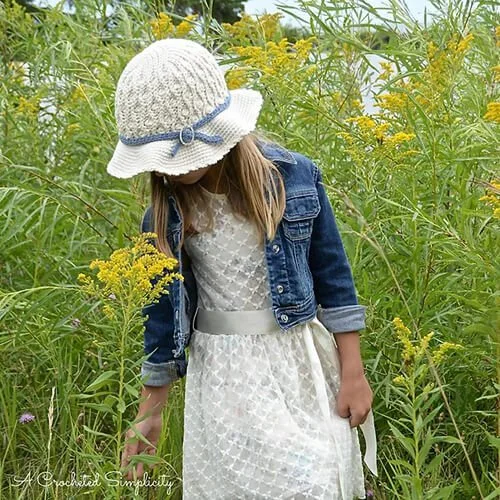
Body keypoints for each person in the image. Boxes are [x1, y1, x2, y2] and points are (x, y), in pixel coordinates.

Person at [107, 38, 377, 499]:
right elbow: (161, 321)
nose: (170, 172)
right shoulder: (165, 218)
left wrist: (353, 370)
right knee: (236, 485)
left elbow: (334, 277)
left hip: (297, 364)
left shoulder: (292, 178)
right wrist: (149, 412)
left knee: (311, 482)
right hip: (224, 377)